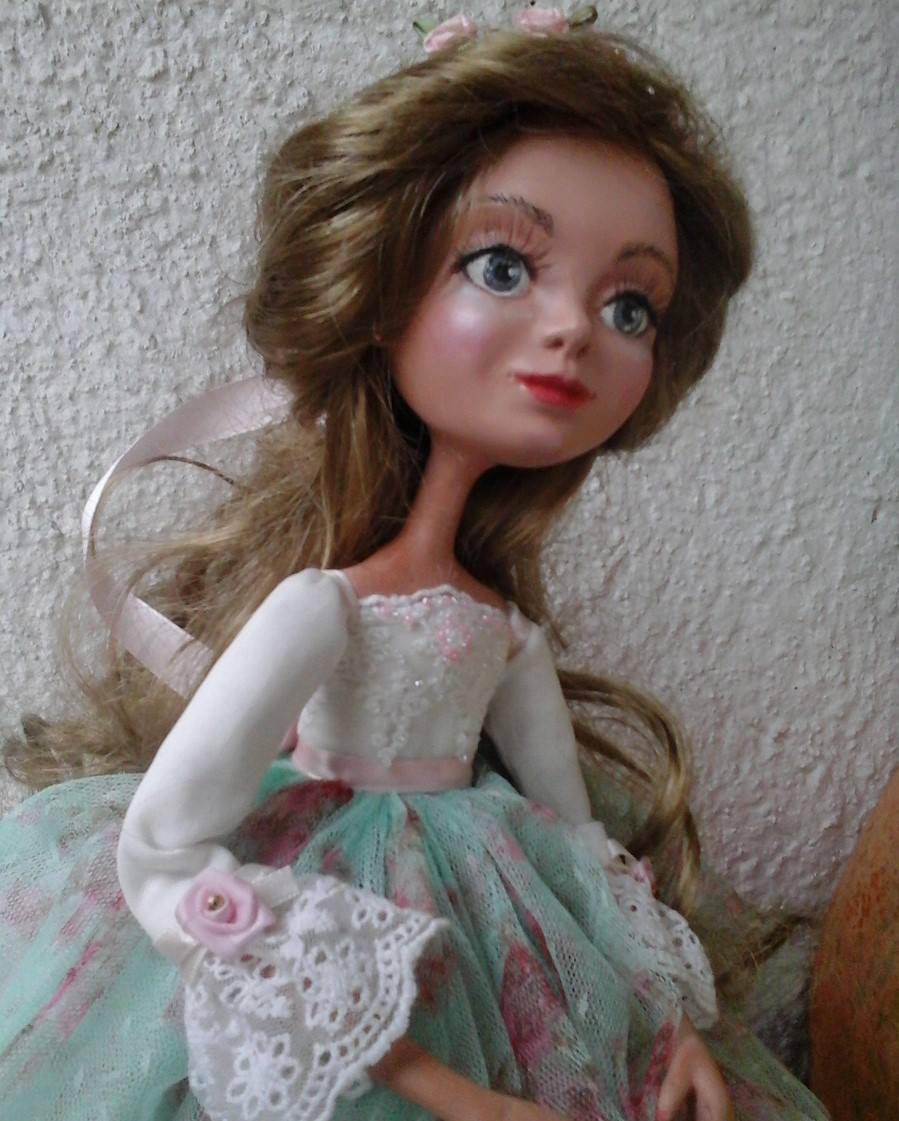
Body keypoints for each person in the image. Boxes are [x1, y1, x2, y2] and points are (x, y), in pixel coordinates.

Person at [0, 13, 828, 1121]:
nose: (573, 332)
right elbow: (162, 849)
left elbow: (580, 846)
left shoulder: (506, 634)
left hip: (498, 902)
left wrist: (671, 1024)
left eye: (627, 304)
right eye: (502, 266)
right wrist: (442, 1087)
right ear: (380, 288)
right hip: (335, 898)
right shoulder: (321, 607)